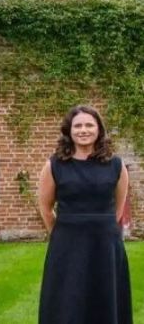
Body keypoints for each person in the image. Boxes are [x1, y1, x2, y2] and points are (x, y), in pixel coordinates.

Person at [37, 105, 131, 324]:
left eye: (89, 125)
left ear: (99, 129)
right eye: (77, 125)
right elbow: (45, 207)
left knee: (105, 300)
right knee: (67, 302)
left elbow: (118, 208)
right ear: (69, 131)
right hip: (67, 245)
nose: (83, 130)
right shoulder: (54, 165)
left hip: (105, 245)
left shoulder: (116, 165)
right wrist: (64, 233)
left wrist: (101, 226)